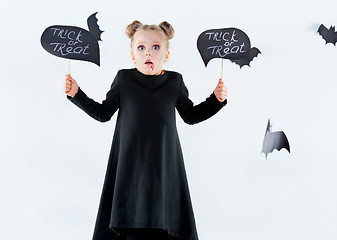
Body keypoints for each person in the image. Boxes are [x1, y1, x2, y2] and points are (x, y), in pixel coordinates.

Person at [63, 20, 228, 240]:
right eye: (141, 47)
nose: (148, 52)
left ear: (166, 55)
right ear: (133, 55)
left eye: (155, 47)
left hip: (164, 163)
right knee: (132, 215)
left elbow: (191, 116)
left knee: (162, 215)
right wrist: (77, 94)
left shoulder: (175, 82)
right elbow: (103, 113)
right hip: (130, 163)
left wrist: (216, 100)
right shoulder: (124, 79)